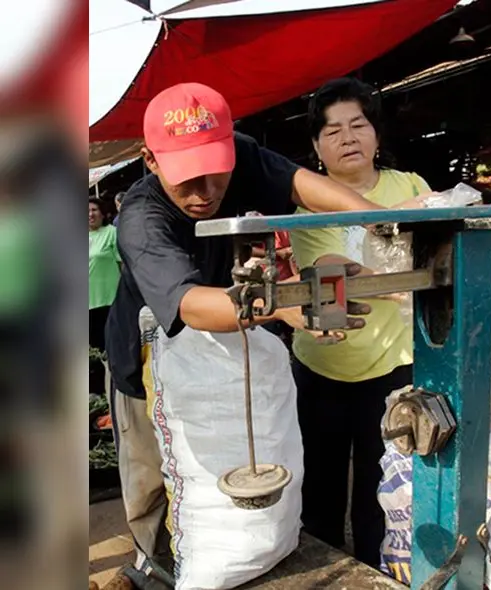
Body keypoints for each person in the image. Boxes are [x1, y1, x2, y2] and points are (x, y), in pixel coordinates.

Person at [104, 82, 424, 579]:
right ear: (150, 160)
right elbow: (190, 305)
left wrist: (381, 222)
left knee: (220, 468)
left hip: (223, 341)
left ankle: (229, 562)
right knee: (155, 482)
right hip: (146, 359)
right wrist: (282, 303)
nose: (204, 191)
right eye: (187, 178)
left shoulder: (241, 157)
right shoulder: (141, 218)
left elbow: (299, 183)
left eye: (215, 171)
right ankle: (158, 571)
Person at [286, 77, 429, 568]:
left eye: (358, 125)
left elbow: (438, 248)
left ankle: (374, 568)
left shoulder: (411, 186)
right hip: (322, 368)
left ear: (376, 134)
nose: (347, 138)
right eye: (332, 131)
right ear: (316, 147)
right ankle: (324, 568)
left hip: (394, 366)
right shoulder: (308, 202)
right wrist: (406, 274)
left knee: (384, 481)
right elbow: (333, 274)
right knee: (320, 484)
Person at [89, 197, 120, 393]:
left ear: (102, 213)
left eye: (94, 210)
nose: (90, 214)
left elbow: (123, 265)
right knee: (94, 354)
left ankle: (116, 391)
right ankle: (100, 393)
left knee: (111, 350)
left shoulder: (111, 233)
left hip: (108, 302)